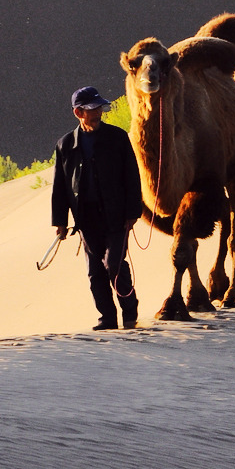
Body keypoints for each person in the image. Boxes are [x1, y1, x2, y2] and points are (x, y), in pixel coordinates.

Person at [52, 86, 144, 331]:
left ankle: (130, 310)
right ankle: (107, 318)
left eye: (100, 107)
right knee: (95, 272)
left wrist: (133, 212)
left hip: (116, 215)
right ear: (78, 112)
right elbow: (60, 187)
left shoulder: (117, 137)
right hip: (86, 218)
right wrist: (60, 221)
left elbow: (132, 177)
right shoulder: (65, 144)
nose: (98, 113)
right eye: (92, 109)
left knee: (114, 263)